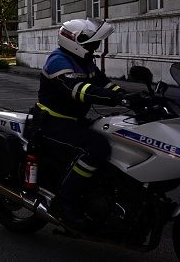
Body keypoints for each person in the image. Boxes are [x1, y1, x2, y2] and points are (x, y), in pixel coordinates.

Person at [36, 18, 136, 227]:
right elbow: (78, 90)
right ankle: (63, 201)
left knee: (117, 135)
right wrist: (118, 99)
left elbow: (104, 84)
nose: (95, 47)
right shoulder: (59, 60)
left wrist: (131, 96)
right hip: (53, 122)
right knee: (96, 147)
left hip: (74, 120)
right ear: (74, 41)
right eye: (91, 43)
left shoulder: (84, 61)